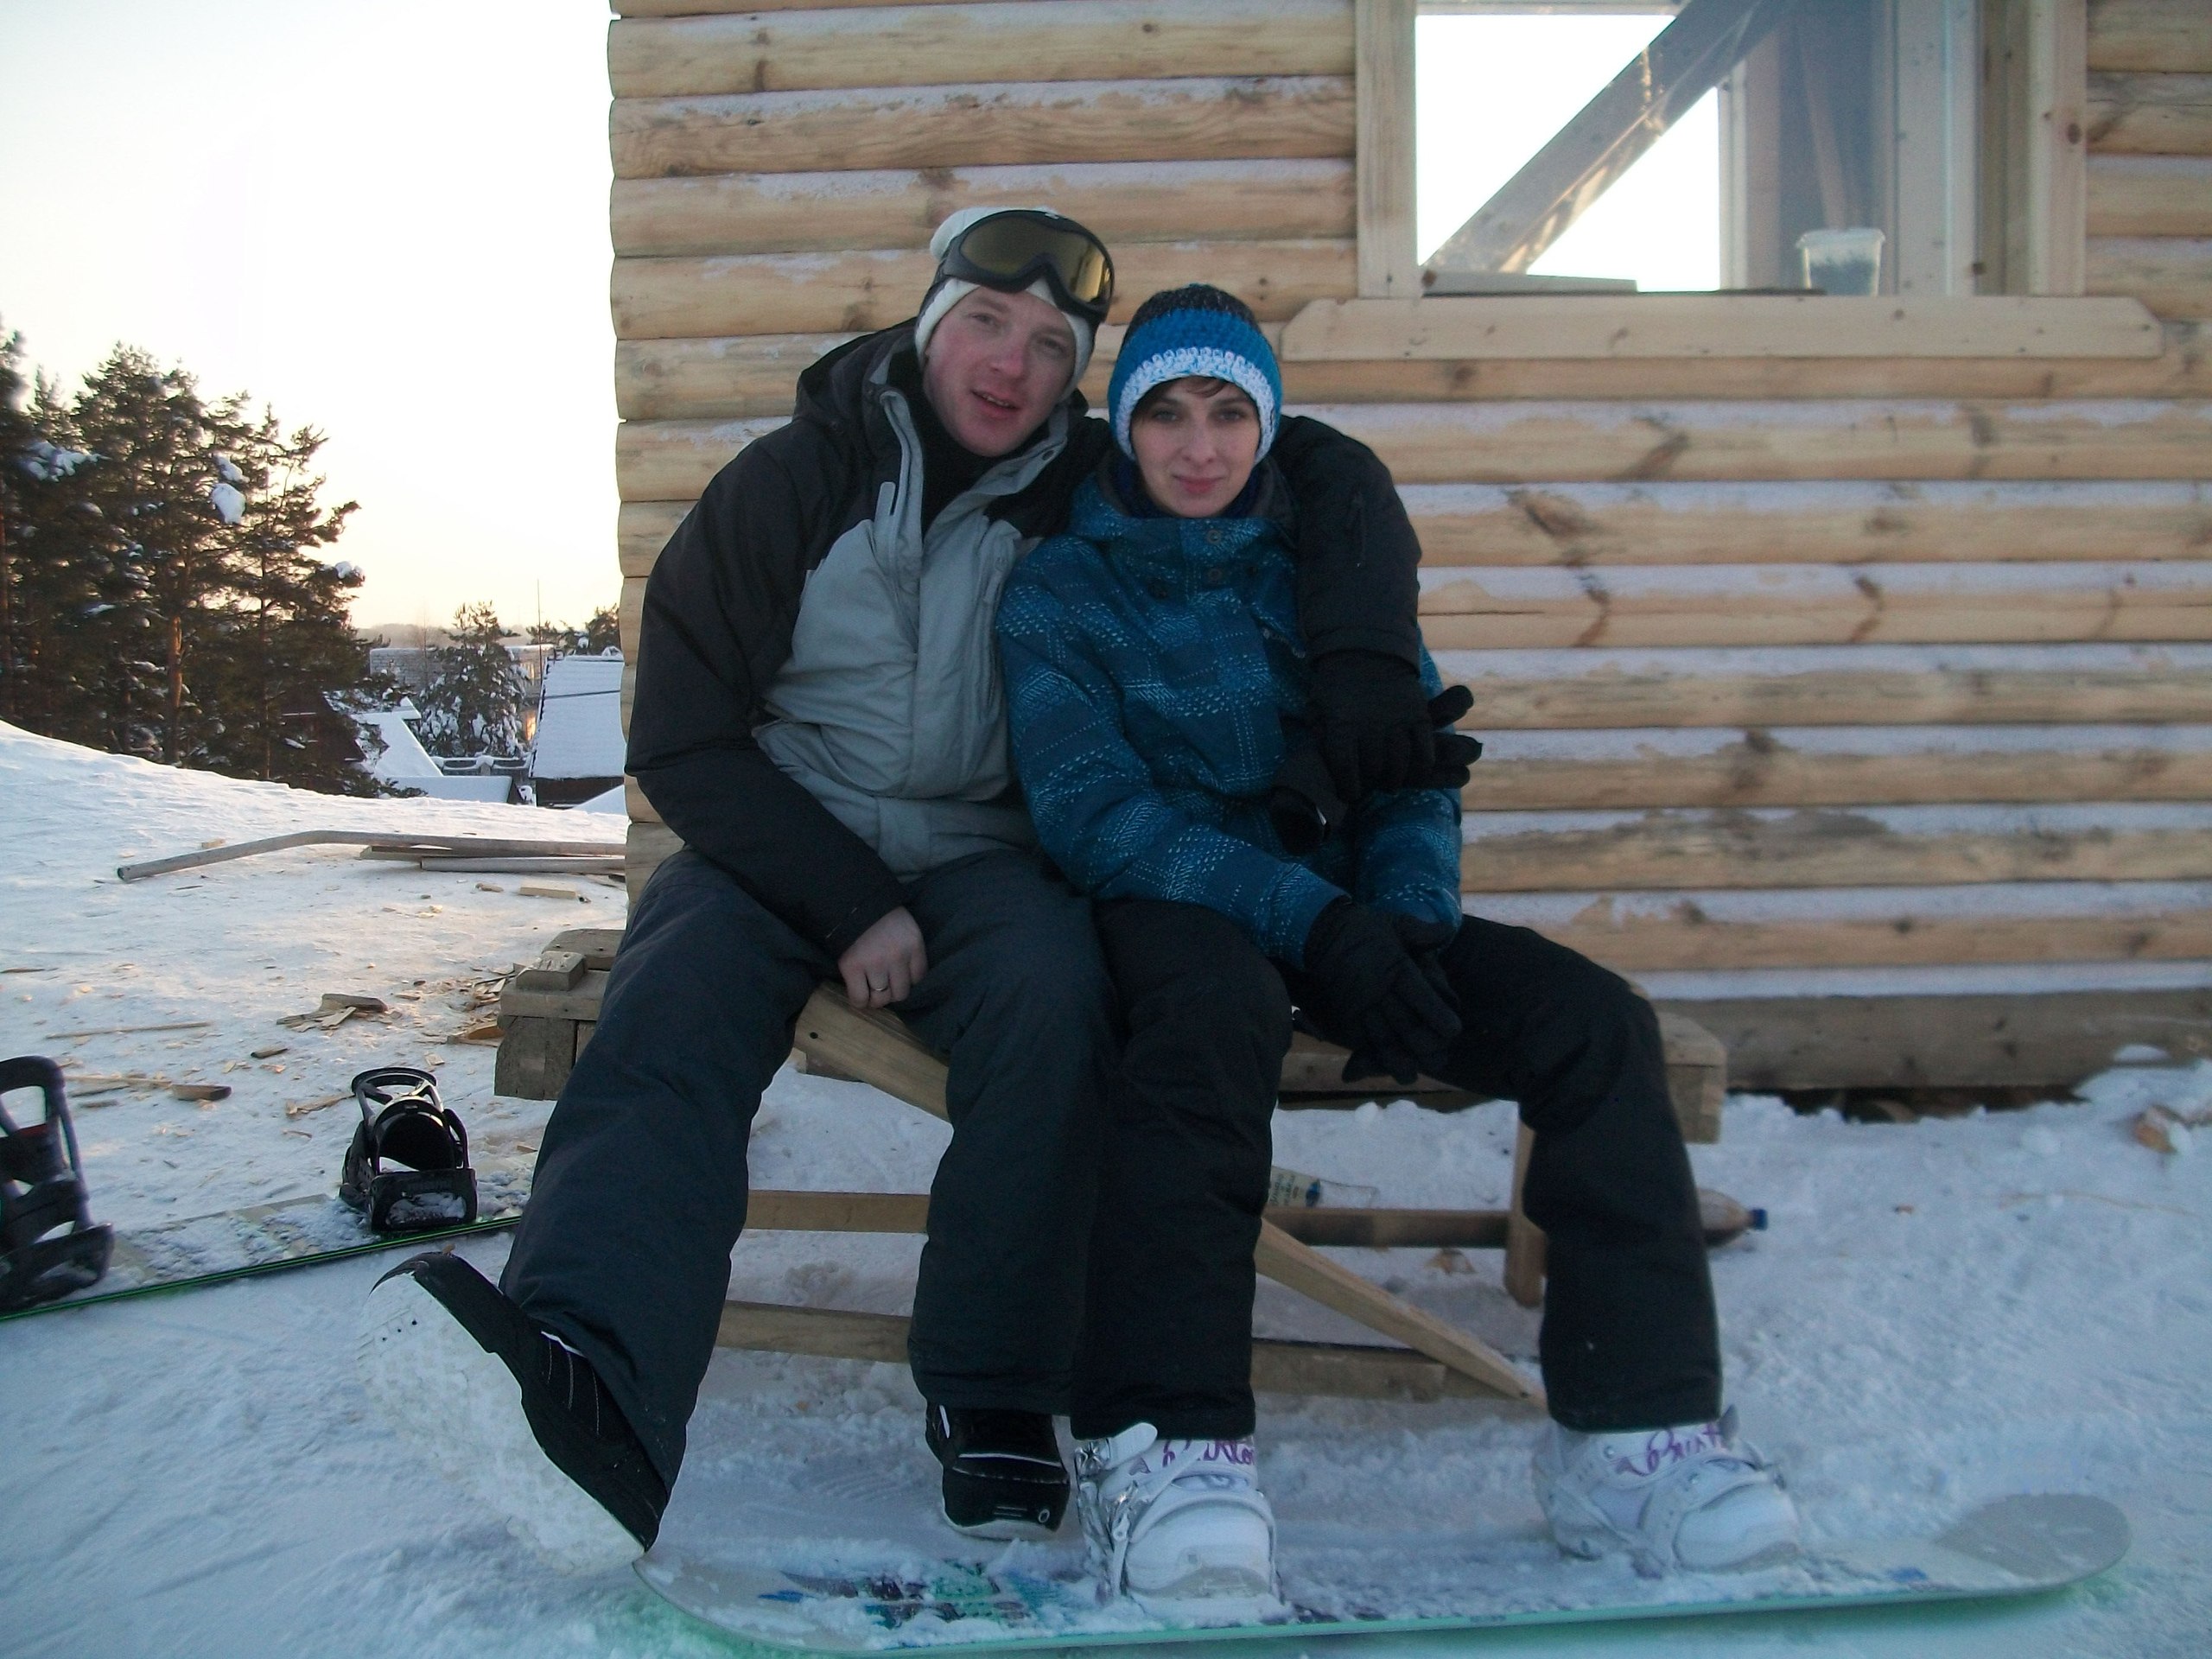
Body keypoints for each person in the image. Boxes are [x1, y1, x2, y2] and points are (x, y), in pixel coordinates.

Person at [351, 211, 1447, 1572]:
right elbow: (681, 738)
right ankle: (591, 1380)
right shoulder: (794, 480)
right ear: (931, 327)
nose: (1010, 364)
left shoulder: (1088, 484)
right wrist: (847, 901)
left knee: (1056, 998)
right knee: (673, 1003)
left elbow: (1321, 468)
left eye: (1049, 346)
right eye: (986, 324)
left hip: (986, 852)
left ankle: (996, 1388)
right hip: (778, 836)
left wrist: (1367, 660)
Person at [997, 286, 1802, 1605]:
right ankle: (1164, 1449)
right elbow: (1097, 817)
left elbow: (1415, 765)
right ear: (1124, 427)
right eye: (1166, 413)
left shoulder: (1325, 574)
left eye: (1227, 413)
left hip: (1353, 915)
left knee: (1595, 1023)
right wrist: (1322, 924)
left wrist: (1410, 926)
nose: (1198, 446)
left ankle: (1633, 1441)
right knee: (1208, 1024)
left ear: (1265, 426)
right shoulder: (1062, 590)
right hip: (1177, 907)